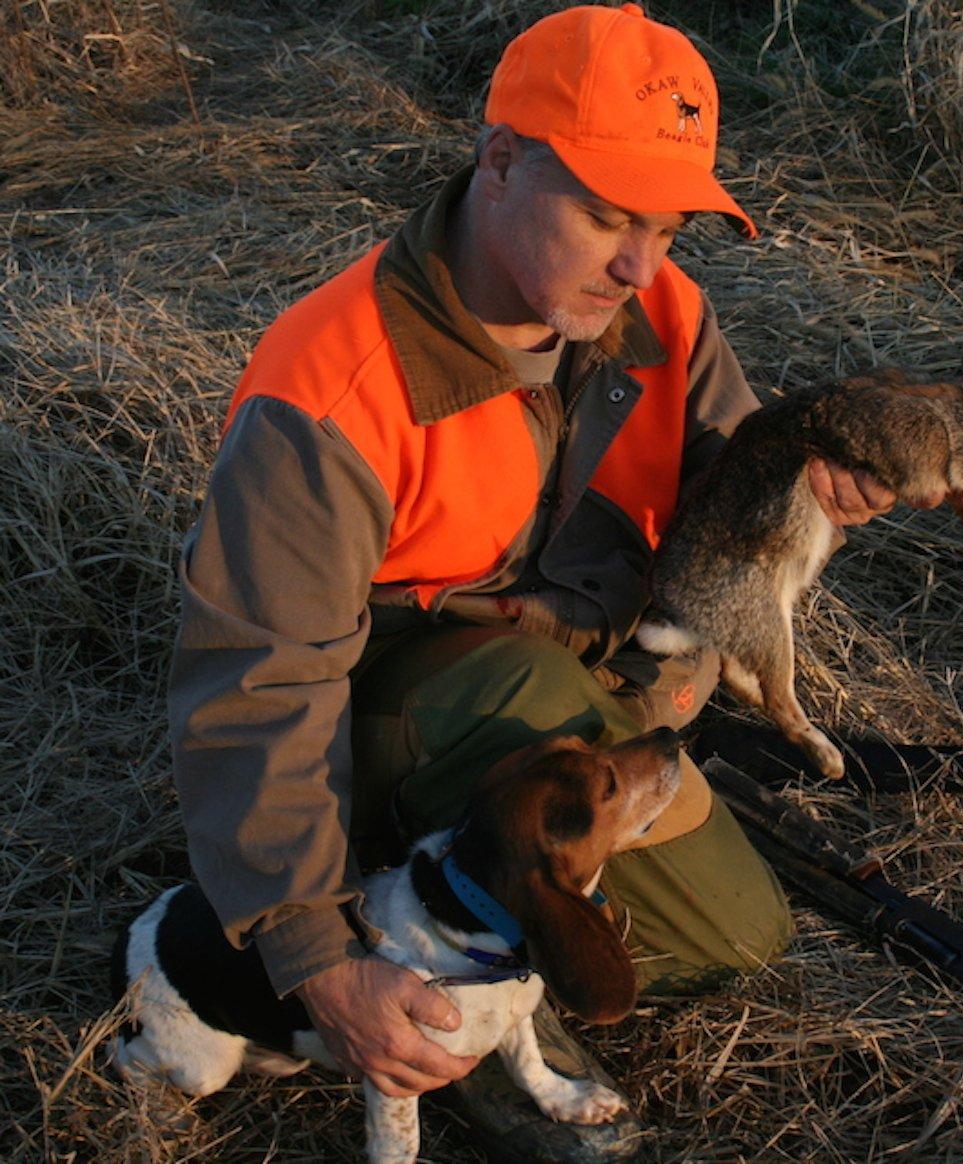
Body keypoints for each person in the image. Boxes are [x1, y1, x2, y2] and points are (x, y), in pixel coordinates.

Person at [169, 4, 894, 1158]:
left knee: (737, 935)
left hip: (593, 685)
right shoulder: (328, 396)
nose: (639, 263)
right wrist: (315, 955)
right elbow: (254, 687)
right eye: (606, 214)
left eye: (664, 225)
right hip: (412, 696)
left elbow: (732, 480)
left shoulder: (662, 308)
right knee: (653, 886)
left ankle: (492, 900)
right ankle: (418, 944)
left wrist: (810, 501)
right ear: (499, 161)